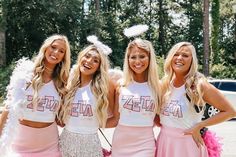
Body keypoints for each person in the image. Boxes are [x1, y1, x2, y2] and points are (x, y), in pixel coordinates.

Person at [155, 42, 236, 157]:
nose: (179, 58)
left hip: (187, 146)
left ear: (192, 60)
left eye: (185, 55)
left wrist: (200, 125)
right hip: (164, 142)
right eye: (176, 54)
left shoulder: (199, 84)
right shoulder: (164, 84)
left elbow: (230, 111)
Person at [0, 34, 71, 157]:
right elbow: (8, 108)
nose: (56, 52)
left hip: (49, 144)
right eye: (53, 47)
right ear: (45, 48)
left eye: (61, 51)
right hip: (20, 143)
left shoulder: (63, 81)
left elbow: (61, 118)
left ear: (64, 56)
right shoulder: (25, 74)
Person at [58, 35, 114, 157]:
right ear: (80, 58)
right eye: (87, 56)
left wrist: (94, 124)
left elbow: (116, 118)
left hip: (90, 144)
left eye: (95, 60)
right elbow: (60, 118)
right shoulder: (68, 82)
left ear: (99, 66)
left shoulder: (104, 87)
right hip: (66, 141)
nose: (89, 61)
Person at [107, 37, 162, 157]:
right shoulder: (120, 84)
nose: (137, 61)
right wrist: (88, 124)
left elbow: (160, 119)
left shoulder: (158, 86)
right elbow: (115, 119)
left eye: (142, 56)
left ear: (150, 58)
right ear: (127, 60)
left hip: (145, 143)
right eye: (133, 57)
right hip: (121, 142)